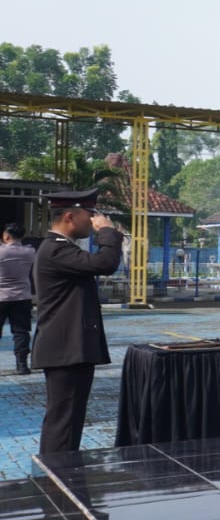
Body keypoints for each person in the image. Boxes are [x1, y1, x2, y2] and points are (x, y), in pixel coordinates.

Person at [31, 190, 123, 454]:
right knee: (64, 422)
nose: (93, 220)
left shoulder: (61, 249)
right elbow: (105, 263)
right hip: (64, 349)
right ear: (70, 216)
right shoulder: (55, 249)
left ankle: (59, 473)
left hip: (69, 347)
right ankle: (55, 479)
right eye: (90, 215)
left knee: (68, 420)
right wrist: (107, 232)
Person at [0, 223, 36, 375]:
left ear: (6, 235)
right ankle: (22, 364)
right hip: (22, 296)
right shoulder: (29, 252)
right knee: (21, 331)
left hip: (1, 296)